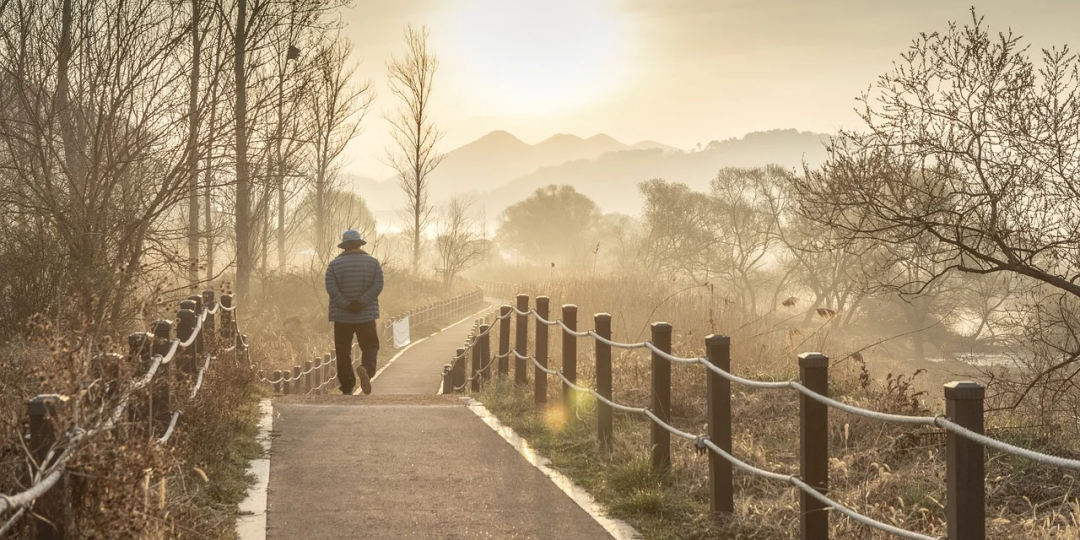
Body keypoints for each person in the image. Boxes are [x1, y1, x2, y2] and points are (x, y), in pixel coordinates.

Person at [325, 230, 383, 395]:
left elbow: (331, 288)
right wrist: (361, 302)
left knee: (343, 351)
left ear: (344, 247)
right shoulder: (373, 263)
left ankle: (347, 386)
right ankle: (366, 370)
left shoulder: (334, 265)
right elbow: (378, 285)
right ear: (359, 244)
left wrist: (346, 304)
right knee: (370, 345)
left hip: (342, 316)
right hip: (366, 315)